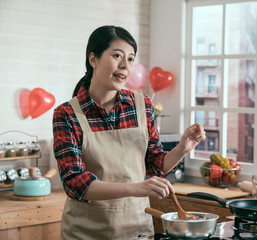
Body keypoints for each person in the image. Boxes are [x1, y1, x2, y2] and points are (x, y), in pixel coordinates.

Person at [52, 25, 206, 240]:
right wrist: (137, 188)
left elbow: (154, 166)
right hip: (85, 232)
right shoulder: (67, 114)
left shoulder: (142, 106)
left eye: (131, 59)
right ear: (93, 59)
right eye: (117, 56)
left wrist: (182, 149)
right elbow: (75, 182)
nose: (125, 65)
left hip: (136, 230)